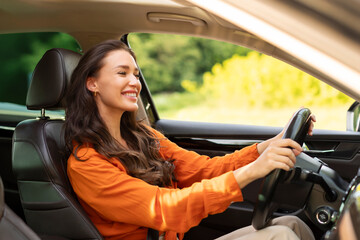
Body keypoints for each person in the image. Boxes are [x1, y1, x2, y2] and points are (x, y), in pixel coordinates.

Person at [64, 40, 316, 240]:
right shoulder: (87, 164)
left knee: (292, 223)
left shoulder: (143, 136)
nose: (134, 82)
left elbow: (204, 170)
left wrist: (265, 147)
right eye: (122, 73)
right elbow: (165, 208)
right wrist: (252, 171)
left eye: (136, 74)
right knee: (280, 235)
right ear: (92, 83)